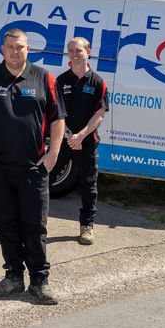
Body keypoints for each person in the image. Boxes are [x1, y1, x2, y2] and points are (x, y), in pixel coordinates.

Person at [0, 28, 64, 305]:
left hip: (33, 168)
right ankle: (13, 276)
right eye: (10, 46)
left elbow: (58, 118)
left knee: (35, 225)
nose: (14, 51)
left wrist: (53, 154)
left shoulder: (44, 77)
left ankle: (39, 280)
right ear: (2, 48)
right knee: (4, 223)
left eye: (20, 47)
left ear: (28, 49)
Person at [55, 36, 111, 245]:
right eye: (70, 50)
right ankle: (32, 222)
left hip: (87, 141)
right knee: (44, 179)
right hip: (64, 140)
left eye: (78, 50)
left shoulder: (98, 82)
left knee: (89, 185)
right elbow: (56, 112)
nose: (74, 54)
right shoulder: (61, 80)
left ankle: (86, 226)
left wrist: (81, 136)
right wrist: (69, 135)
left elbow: (100, 113)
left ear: (88, 52)